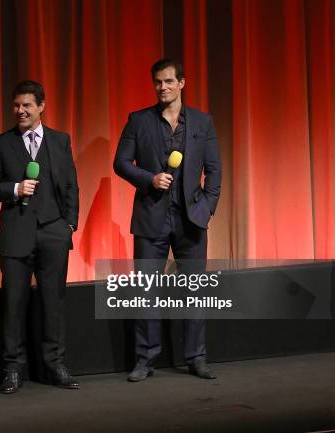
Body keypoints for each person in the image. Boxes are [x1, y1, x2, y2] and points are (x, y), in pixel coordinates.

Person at [113, 59, 221, 382]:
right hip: (151, 217)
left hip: (191, 218)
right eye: (158, 82)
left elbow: (214, 170)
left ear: (182, 83)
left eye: (169, 81)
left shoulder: (202, 122)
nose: (163, 88)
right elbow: (120, 162)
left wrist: (207, 207)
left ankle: (196, 357)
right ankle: (145, 359)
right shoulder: (139, 121)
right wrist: (149, 179)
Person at [0, 80, 80, 394]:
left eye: (26, 106)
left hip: (54, 233)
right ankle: (12, 369)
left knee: (53, 303)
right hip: (16, 234)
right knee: (14, 304)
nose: (20, 111)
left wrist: (69, 226)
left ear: (41, 106)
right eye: (16, 106)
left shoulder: (61, 141)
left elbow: (71, 187)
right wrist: (14, 189)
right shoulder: (1, 143)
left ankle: (55, 365)